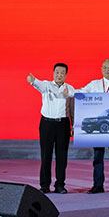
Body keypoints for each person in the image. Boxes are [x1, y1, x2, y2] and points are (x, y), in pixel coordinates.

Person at [77, 59, 109, 194]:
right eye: (105, 67)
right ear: (101, 69)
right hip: (99, 125)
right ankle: (98, 185)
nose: (107, 70)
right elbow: (80, 92)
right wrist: (69, 92)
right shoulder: (94, 84)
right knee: (97, 157)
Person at [27, 63, 75, 194]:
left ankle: (60, 185)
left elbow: (72, 109)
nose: (59, 75)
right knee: (45, 155)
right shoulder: (46, 85)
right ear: (53, 73)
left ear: (66, 74)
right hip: (47, 124)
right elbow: (37, 84)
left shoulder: (70, 89)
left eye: (62, 73)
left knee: (62, 156)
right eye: (57, 72)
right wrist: (32, 80)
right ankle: (44, 185)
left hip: (63, 124)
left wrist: (73, 125)